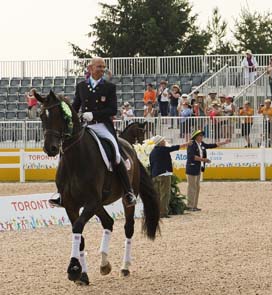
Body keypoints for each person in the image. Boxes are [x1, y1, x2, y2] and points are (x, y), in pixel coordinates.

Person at [50, 57, 135, 208]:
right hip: (85, 125)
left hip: (102, 125)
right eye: (99, 67)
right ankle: (61, 193)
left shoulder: (109, 87)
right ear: (90, 68)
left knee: (115, 153)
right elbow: (76, 106)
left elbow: (112, 109)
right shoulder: (82, 86)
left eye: (103, 67)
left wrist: (94, 115)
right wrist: (68, 117)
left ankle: (128, 192)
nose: (102, 69)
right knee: (66, 150)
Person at [185, 130, 230, 212]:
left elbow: (211, 145)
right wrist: (203, 159)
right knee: (192, 187)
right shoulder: (191, 144)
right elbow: (192, 157)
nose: (202, 137)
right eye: (200, 136)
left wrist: (224, 142)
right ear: (196, 136)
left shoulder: (201, 144)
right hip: (192, 167)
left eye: (202, 136)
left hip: (198, 167)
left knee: (197, 187)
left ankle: (194, 205)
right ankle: (189, 205)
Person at [149, 135, 189, 219]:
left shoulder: (152, 152)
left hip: (155, 175)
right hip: (164, 174)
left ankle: (156, 212)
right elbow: (174, 147)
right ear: (160, 142)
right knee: (165, 194)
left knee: (157, 194)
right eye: (163, 140)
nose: (164, 142)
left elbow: (151, 164)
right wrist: (187, 144)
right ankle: (163, 212)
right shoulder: (163, 149)